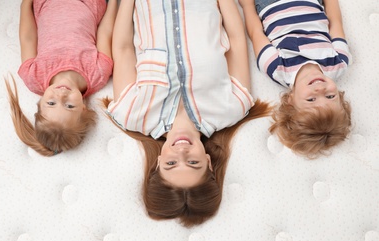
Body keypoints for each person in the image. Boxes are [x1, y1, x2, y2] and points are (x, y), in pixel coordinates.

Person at [102, 0, 272, 227]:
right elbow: (237, 39)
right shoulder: (232, 108)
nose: (181, 151)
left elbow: (122, 47)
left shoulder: (132, 114)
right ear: (209, 163)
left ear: (158, 163)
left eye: (171, 164)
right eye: (193, 162)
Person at [239, 0, 352, 158]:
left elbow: (255, 32)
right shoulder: (339, 62)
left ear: (291, 100)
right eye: (330, 96)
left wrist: (247, 6)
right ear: (339, 96)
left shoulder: (276, 67)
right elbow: (335, 23)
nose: (320, 90)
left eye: (311, 99)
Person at [5, 0, 117, 156]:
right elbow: (105, 31)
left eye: (51, 103)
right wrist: (113, 4)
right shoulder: (98, 73)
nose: (61, 95)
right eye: (70, 106)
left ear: (40, 102)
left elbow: (28, 38)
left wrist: (25, 5)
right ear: (84, 108)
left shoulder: (34, 76)